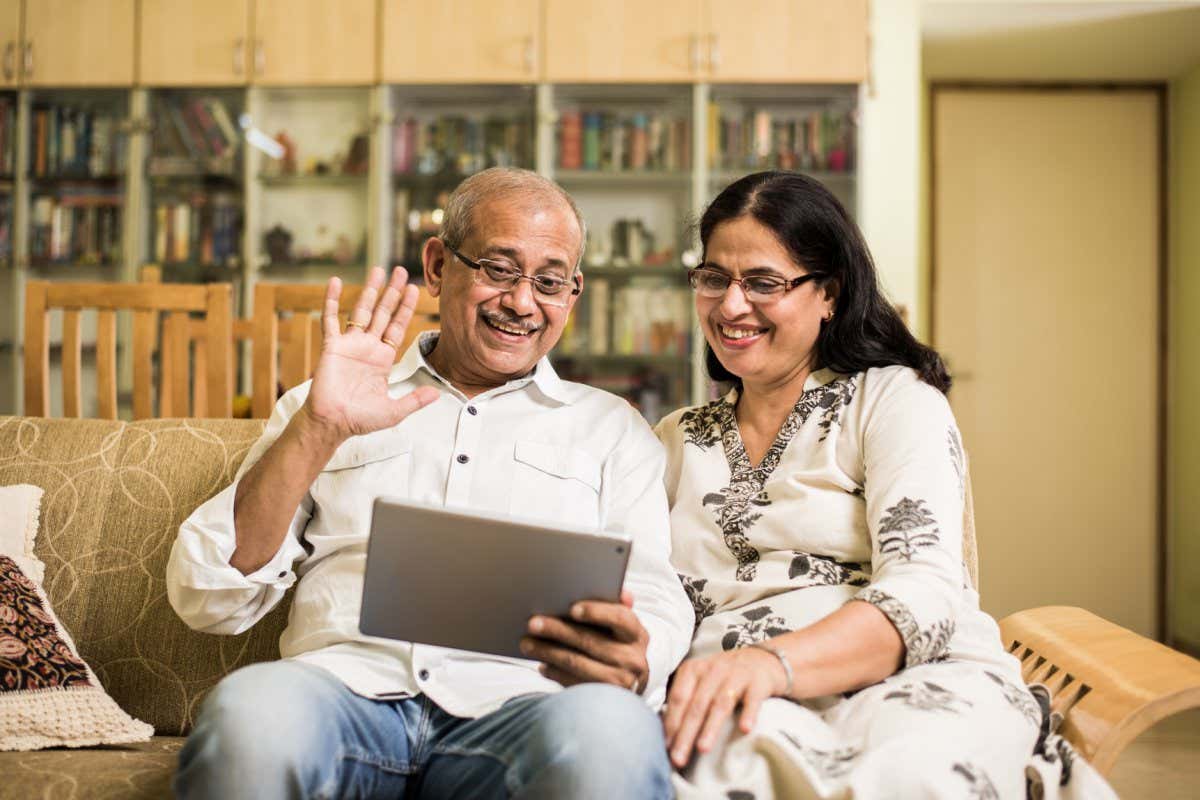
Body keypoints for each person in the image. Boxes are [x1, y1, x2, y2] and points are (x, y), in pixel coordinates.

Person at [166, 167, 693, 800]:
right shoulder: (327, 404)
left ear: (572, 293)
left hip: (525, 710)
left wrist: (638, 651)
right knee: (249, 714)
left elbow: (658, 600)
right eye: (499, 269)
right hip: (344, 694)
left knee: (613, 730)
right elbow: (205, 596)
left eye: (549, 282)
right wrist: (318, 429)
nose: (523, 303)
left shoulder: (613, 429)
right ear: (439, 265)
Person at [654, 171, 1117, 799]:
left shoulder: (891, 400)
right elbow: (647, 598)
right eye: (714, 278)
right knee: (703, 770)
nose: (731, 306)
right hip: (733, 695)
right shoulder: (675, 439)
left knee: (910, 774)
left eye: (763, 282)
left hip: (911, 681)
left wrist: (771, 663)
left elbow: (925, 589)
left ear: (830, 296)